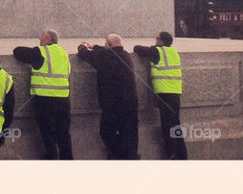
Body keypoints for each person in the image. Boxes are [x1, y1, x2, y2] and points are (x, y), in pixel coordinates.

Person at [77, 33, 139, 159]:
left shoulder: (104, 56)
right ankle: (131, 157)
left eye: (106, 43)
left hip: (113, 104)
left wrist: (82, 46)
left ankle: (121, 155)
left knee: (106, 132)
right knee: (130, 134)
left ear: (109, 44)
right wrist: (94, 46)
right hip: (131, 103)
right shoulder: (126, 55)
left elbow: (84, 54)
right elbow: (108, 51)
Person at [13, 29, 73, 158]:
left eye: (41, 37)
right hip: (63, 99)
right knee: (64, 133)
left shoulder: (41, 52)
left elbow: (18, 51)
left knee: (47, 132)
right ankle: (68, 160)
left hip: (45, 99)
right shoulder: (63, 53)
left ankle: (51, 158)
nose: (39, 40)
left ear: (47, 39)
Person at [133, 30, 187, 159]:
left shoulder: (158, 51)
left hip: (165, 94)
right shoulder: (173, 52)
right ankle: (183, 156)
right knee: (175, 126)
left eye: (157, 38)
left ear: (161, 41)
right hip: (175, 93)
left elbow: (138, 49)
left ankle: (172, 157)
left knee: (168, 127)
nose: (155, 40)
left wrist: (153, 48)